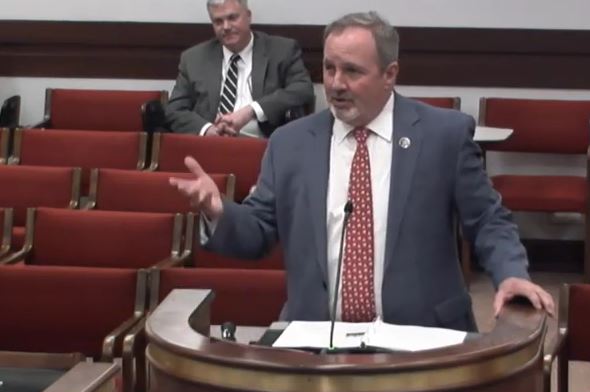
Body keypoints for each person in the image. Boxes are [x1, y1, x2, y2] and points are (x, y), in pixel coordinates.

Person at [171, 11, 554, 329]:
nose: (336, 84)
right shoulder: (290, 144)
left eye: (352, 71)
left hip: (424, 340)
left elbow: (487, 219)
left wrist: (511, 274)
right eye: (329, 68)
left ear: (390, 74)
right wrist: (219, 211)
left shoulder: (443, 135)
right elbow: (258, 232)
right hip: (317, 343)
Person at [165, 0, 315, 138]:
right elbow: (175, 110)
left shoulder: (281, 50)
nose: (226, 27)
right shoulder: (193, 59)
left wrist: (251, 110)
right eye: (218, 21)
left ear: (248, 16)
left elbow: (302, 89)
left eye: (232, 18)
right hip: (211, 146)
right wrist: (207, 129)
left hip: (264, 145)